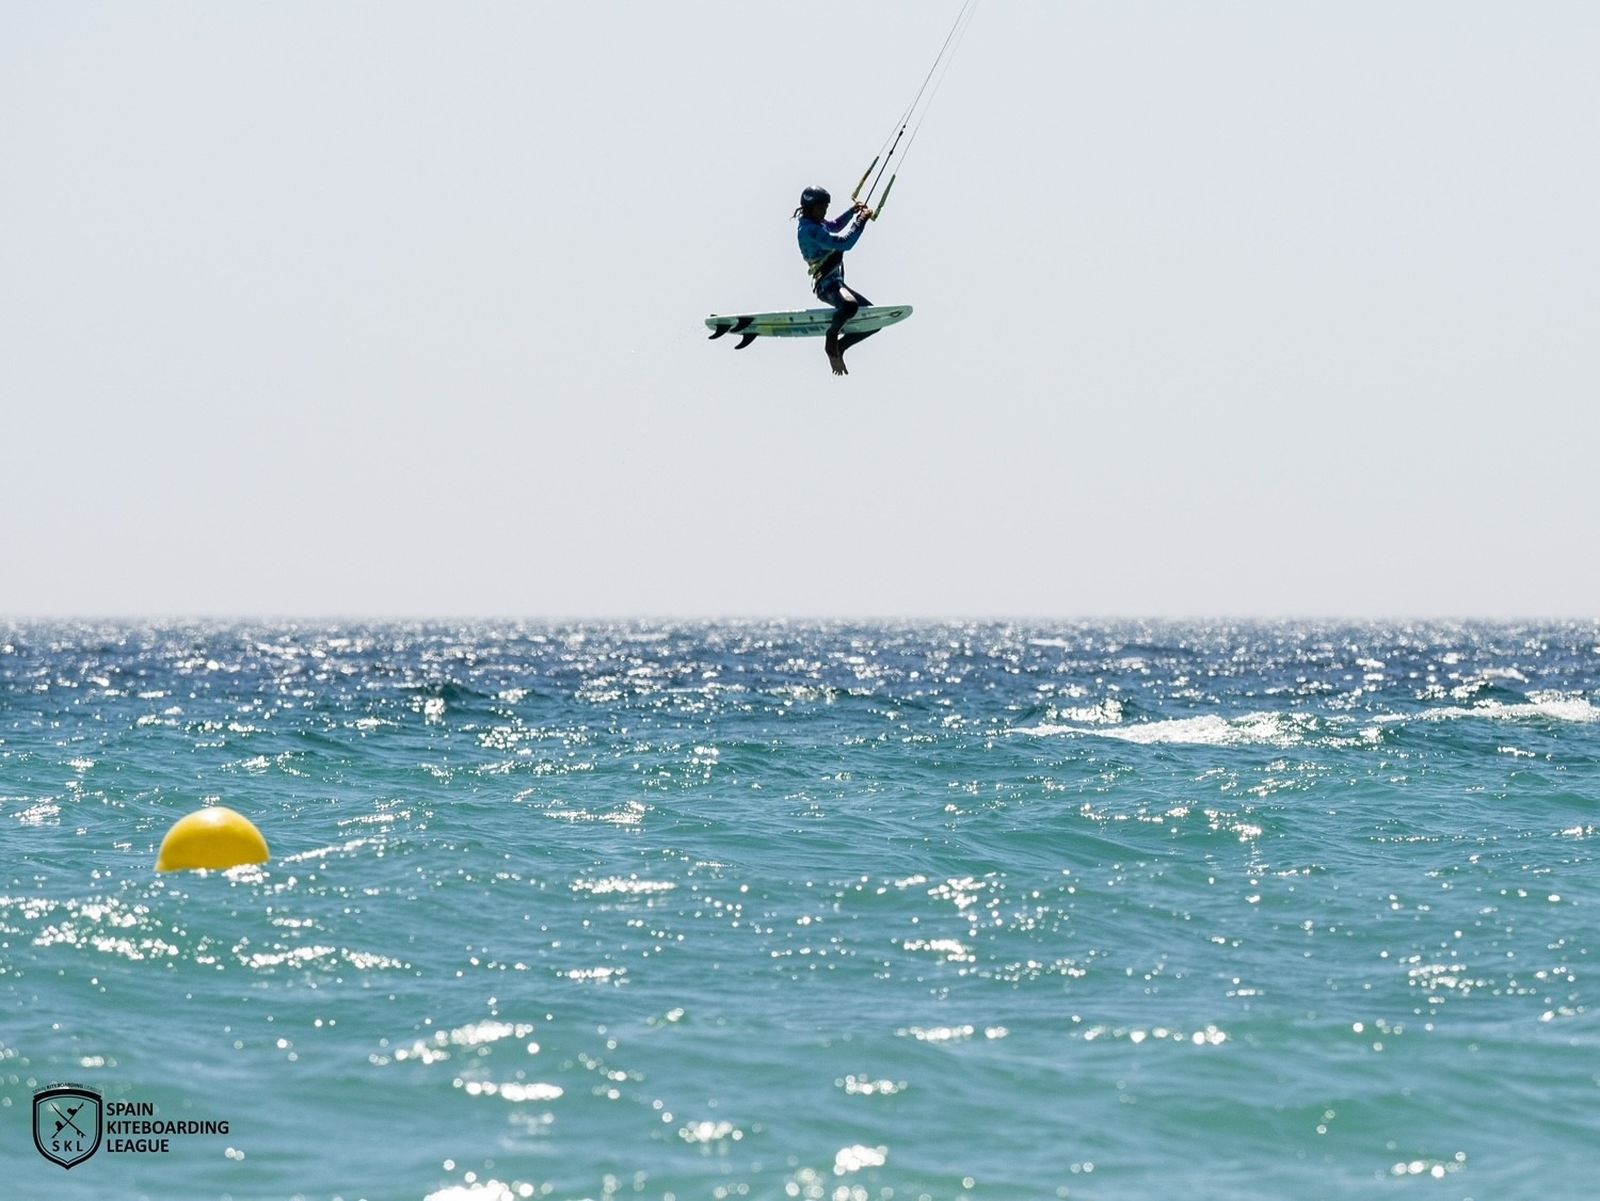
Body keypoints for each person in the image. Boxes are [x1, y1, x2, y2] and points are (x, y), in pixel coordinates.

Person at [794, 186, 876, 376]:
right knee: (850, 306)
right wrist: (860, 221)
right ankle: (831, 336)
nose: (824, 212)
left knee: (873, 320)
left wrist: (852, 212)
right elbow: (844, 243)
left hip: (837, 283)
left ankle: (839, 347)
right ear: (809, 208)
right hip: (826, 286)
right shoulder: (809, 230)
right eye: (821, 208)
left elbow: (834, 225)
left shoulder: (817, 223)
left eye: (826, 208)